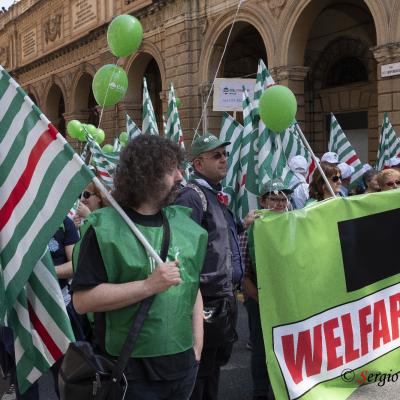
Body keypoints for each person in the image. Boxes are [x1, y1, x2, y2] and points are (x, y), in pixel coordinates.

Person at [71, 135, 208, 400]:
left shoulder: (186, 226)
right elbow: (82, 300)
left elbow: (192, 287)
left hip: (183, 368)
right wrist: (148, 286)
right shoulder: (104, 229)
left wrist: (197, 346)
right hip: (130, 372)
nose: (181, 177)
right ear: (147, 174)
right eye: (172, 169)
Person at [175, 133, 257, 400]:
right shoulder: (192, 196)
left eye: (225, 154)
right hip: (205, 301)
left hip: (224, 299)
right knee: (200, 374)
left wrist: (243, 223)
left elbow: (219, 238)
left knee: (213, 370)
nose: (224, 160)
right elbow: (182, 252)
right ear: (198, 164)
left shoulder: (213, 195)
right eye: (217, 155)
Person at [241, 178, 292, 400]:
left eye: (283, 199)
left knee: (288, 345)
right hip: (259, 298)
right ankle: (260, 392)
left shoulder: (294, 223)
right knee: (261, 347)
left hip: (287, 298)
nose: (279, 204)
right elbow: (241, 267)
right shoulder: (251, 227)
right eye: (273, 198)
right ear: (263, 200)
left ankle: (290, 387)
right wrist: (255, 295)